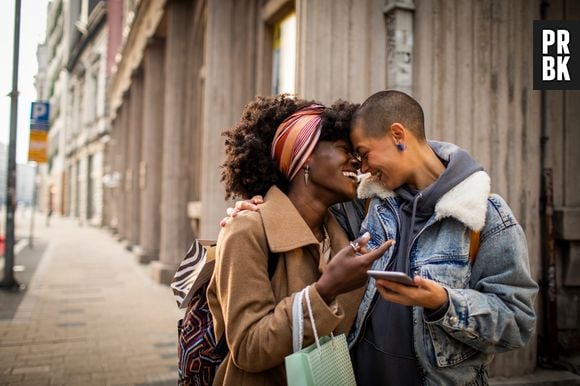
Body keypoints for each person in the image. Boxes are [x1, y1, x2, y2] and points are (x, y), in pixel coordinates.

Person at [348, 90, 539, 385]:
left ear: (398, 135)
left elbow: (517, 323)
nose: (363, 168)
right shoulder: (372, 199)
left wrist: (443, 302)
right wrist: (254, 204)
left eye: (364, 153)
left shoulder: (486, 215)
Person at [206, 94, 393, 386]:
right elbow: (247, 348)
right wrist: (324, 291)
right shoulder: (246, 230)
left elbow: (409, 154)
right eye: (345, 149)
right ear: (305, 155)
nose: (356, 161)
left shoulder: (347, 233)